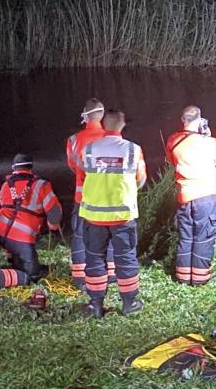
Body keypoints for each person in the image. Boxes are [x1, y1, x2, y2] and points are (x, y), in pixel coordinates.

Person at [79, 110, 147, 318]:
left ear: (103, 124)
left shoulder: (88, 150)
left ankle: (95, 305)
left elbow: (82, 176)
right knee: (125, 257)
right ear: (122, 125)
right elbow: (141, 179)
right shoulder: (133, 150)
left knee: (94, 258)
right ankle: (129, 303)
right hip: (122, 215)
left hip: (94, 216)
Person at [165, 105, 216, 286]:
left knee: (186, 235)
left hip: (185, 195)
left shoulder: (173, 140)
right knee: (204, 235)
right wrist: (207, 135)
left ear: (183, 120)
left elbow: (171, 159)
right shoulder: (207, 142)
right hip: (206, 194)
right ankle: (199, 279)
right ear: (199, 120)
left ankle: (183, 277)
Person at [0, 154, 62, 290]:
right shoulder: (42, 185)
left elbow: (3, 201)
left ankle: (13, 260)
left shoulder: (7, 184)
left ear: (14, 168)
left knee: (16, 249)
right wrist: (53, 224)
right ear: (30, 168)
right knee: (31, 276)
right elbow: (54, 210)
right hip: (21, 237)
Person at [66, 97, 115, 288]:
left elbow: (72, 166)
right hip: (107, 197)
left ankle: (80, 277)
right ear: (102, 116)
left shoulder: (73, 141)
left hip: (83, 197)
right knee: (109, 233)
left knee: (80, 235)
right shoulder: (111, 139)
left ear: (85, 117)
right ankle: (111, 274)